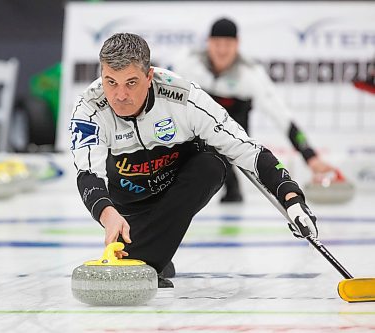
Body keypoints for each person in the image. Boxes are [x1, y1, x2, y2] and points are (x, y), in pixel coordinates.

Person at [70, 33, 318, 288]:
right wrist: (107, 213)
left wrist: (292, 198)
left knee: (212, 164)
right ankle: (154, 254)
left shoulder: (184, 97)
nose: (120, 95)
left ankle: (147, 259)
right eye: (111, 82)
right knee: (140, 241)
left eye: (131, 83)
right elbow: (87, 172)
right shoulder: (89, 108)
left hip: (176, 191)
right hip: (127, 200)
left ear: (149, 76)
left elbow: (247, 149)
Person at [172, 18, 335, 203]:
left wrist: (310, 156)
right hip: (198, 120)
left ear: (237, 44)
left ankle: (231, 187)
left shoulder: (250, 74)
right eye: (217, 43)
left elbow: (282, 117)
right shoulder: (187, 63)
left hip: (233, 123)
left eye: (228, 44)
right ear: (208, 42)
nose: (222, 50)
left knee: (219, 152)